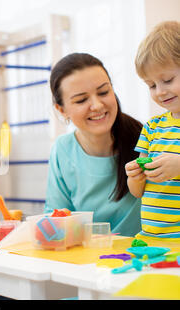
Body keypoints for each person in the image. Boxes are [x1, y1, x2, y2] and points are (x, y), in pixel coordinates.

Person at [44, 53, 143, 237]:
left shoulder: (145, 139)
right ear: (62, 109)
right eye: (81, 100)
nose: (97, 105)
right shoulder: (63, 150)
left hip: (145, 257)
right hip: (87, 259)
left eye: (104, 92)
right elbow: (55, 221)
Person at [125, 21, 180, 241]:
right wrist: (135, 178)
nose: (160, 91)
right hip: (151, 238)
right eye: (151, 85)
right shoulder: (152, 127)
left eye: (167, 80)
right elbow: (138, 192)